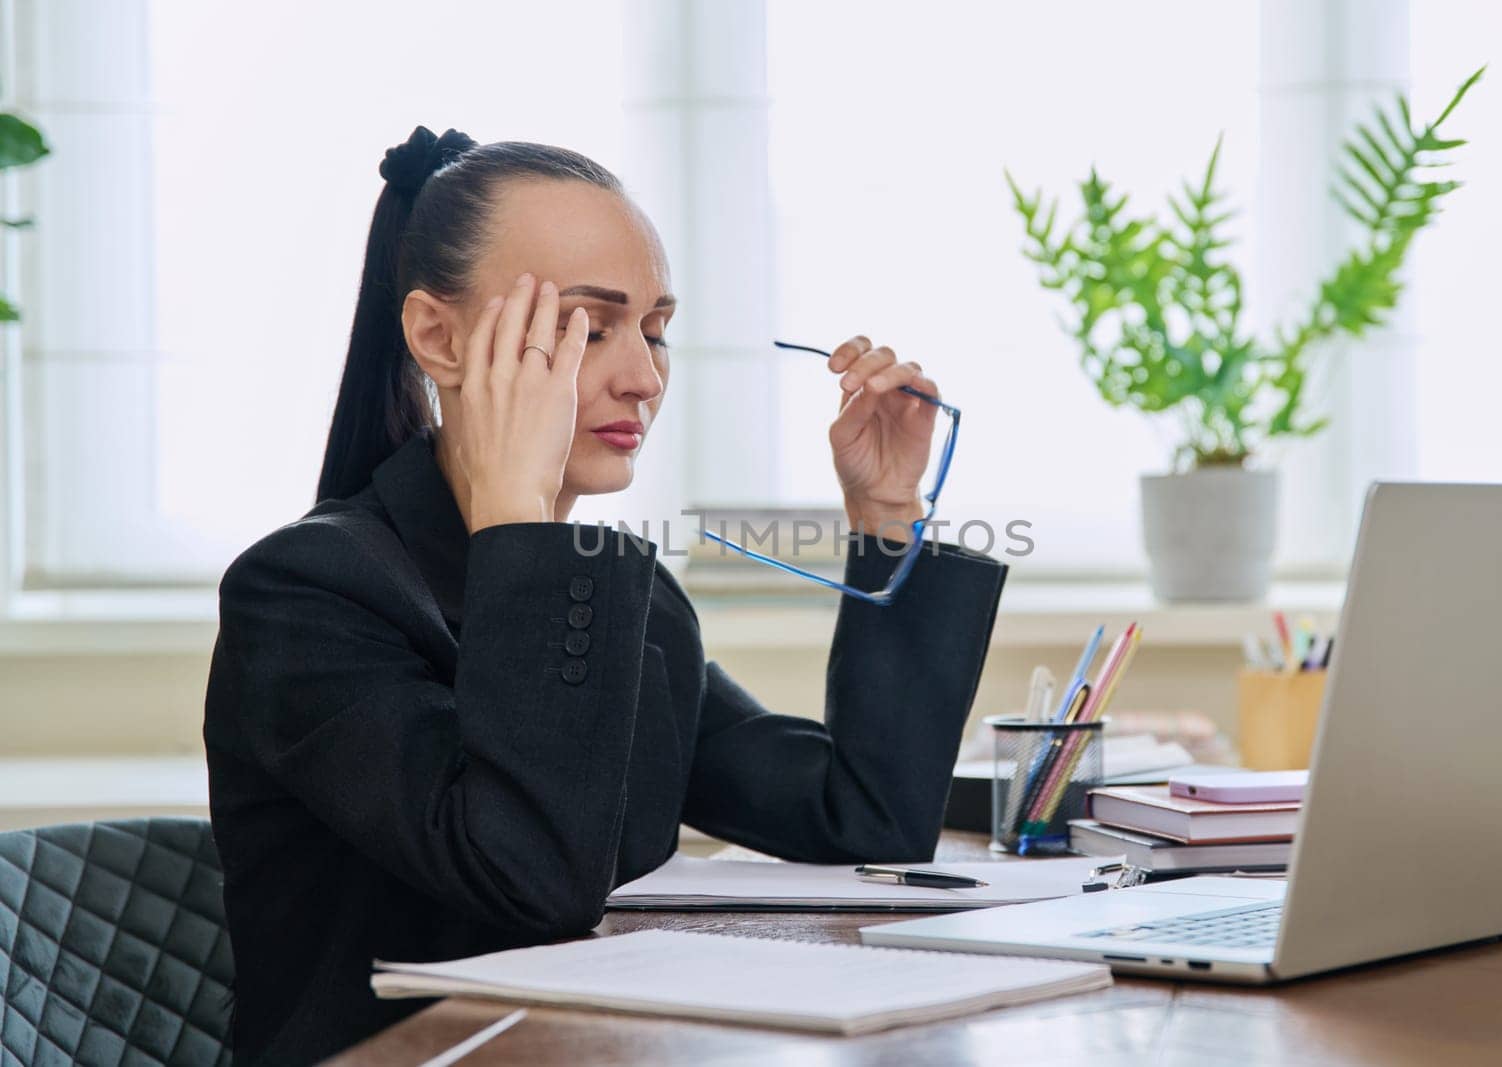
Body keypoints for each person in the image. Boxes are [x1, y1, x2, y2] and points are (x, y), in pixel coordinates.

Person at [203, 125, 1009, 1064]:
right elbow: (531, 876)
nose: (645, 374)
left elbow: (862, 815)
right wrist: (519, 512)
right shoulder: (304, 595)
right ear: (437, 336)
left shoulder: (617, 589)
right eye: (589, 325)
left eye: (656, 328)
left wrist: (886, 514)